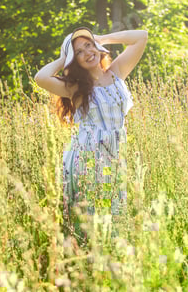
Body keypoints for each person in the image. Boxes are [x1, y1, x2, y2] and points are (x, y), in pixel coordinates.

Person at [34, 27, 148, 244]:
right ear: (73, 61)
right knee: (92, 225)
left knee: (115, 219)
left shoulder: (116, 72)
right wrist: (63, 57)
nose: (87, 52)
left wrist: (101, 38)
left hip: (115, 158)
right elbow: (40, 78)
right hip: (88, 161)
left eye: (89, 46)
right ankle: (88, 267)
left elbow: (141, 36)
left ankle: (110, 266)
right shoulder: (75, 88)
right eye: (79, 52)